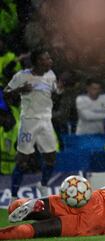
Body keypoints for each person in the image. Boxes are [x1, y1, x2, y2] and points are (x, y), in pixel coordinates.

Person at [4, 49, 63, 199]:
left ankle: (43, 185)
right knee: (22, 160)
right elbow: (6, 93)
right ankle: (14, 196)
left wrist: (59, 90)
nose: (50, 61)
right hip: (29, 121)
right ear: (38, 61)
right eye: (47, 58)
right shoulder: (22, 76)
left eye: (50, 58)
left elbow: (55, 91)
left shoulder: (51, 75)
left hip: (46, 121)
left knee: (51, 157)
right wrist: (20, 89)